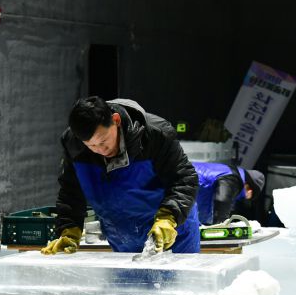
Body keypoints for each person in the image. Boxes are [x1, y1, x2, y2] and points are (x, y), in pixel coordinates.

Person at [42, 97, 200, 254]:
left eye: (103, 141)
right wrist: (69, 229)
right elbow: (71, 190)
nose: (100, 150)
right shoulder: (74, 145)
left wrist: (168, 218)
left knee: (179, 271)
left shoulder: (155, 134)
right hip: (122, 236)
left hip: (171, 231)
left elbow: (184, 179)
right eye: (91, 145)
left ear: (116, 120)